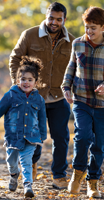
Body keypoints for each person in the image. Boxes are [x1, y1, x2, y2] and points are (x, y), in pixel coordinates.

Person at [9, 2, 75, 189]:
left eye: (58, 19)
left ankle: (59, 175)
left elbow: (76, 67)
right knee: (33, 136)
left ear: (64, 20)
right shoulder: (29, 35)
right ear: (46, 16)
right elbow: (15, 57)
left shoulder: (72, 40)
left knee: (61, 137)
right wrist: (18, 84)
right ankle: (32, 165)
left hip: (59, 97)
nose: (54, 22)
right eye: (51, 18)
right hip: (34, 97)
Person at [0, 56, 47, 198]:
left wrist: (43, 135)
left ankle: (27, 185)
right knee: (11, 161)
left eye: (30, 80)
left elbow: (42, 119)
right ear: (18, 80)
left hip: (31, 137)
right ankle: (13, 174)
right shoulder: (11, 95)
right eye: (23, 79)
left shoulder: (39, 99)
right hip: (13, 136)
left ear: (35, 82)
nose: (26, 82)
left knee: (26, 161)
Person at [61, 6, 104, 198]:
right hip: (82, 100)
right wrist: (65, 87)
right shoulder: (78, 44)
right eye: (87, 27)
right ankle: (78, 174)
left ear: (103, 27)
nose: (89, 31)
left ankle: (93, 182)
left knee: (99, 145)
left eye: (93, 27)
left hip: (103, 105)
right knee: (83, 136)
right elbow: (71, 67)